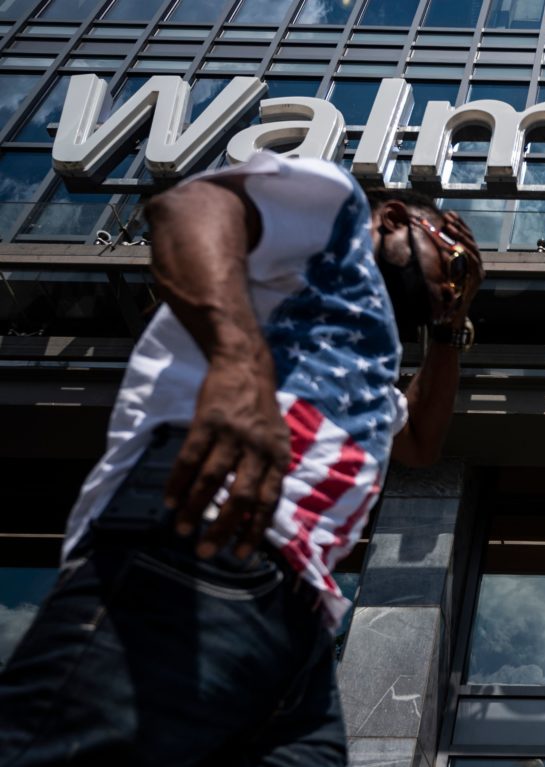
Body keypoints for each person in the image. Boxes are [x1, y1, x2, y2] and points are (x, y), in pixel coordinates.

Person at [0, 151, 484, 766]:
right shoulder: (333, 218)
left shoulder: (366, 370)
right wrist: (236, 361)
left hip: (299, 625)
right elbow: (189, 207)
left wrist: (449, 325)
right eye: (454, 257)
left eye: (463, 280)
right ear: (392, 217)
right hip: (207, 536)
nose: (450, 282)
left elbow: (419, 444)